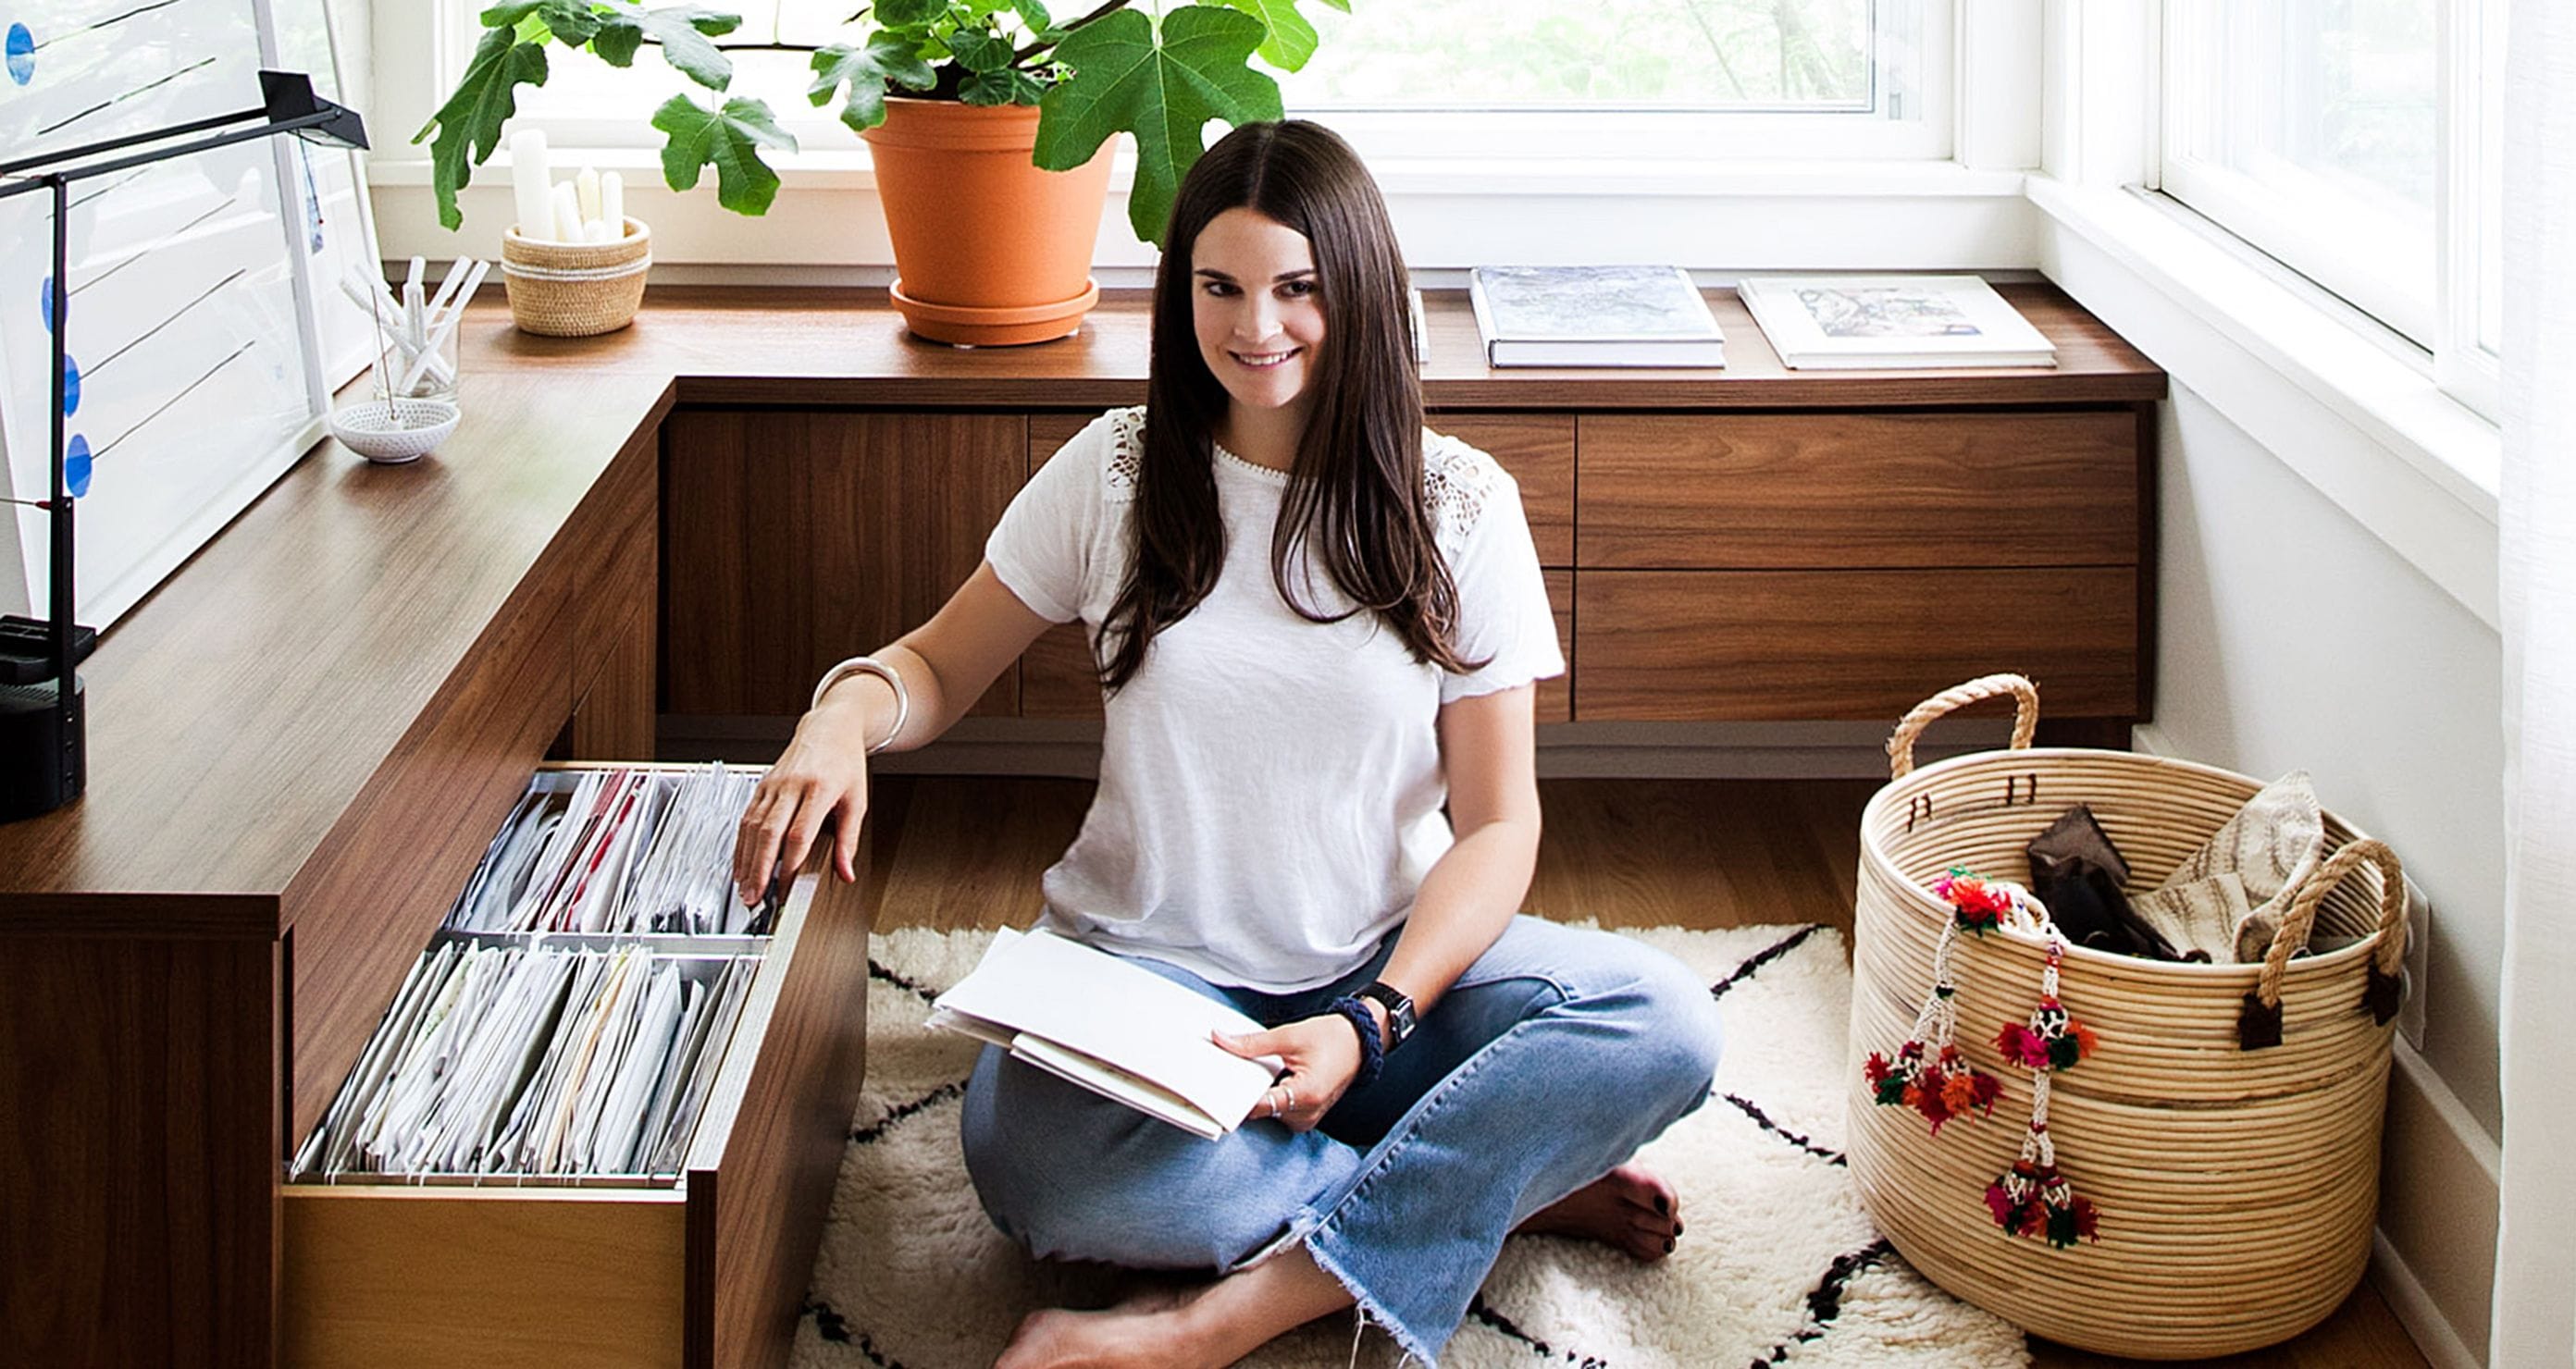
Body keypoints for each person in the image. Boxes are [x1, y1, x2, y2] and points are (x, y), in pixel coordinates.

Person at [732, 119, 1723, 1369]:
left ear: (1355, 290)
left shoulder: (1458, 504)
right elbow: (934, 665)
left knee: (1664, 1025)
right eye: (1222, 286)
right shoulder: (1119, 472)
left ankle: (1221, 1317)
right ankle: (1481, 1185)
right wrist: (840, 718)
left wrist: (1372, 1019)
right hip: (1150, 981)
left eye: (1299, 287)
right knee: (1036, 1175)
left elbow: (1501, 824)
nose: (1259, 326)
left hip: (1385, 979)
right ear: (1181, 293)